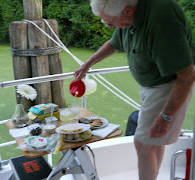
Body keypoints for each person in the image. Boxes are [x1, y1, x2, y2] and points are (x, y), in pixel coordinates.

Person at [74, 0, 195, 179]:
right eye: (105, 23)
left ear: (128, 11)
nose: (110, 28)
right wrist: (87, 64)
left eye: (111, 23)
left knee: (143, 143)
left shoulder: (162, 20)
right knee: (153, 141)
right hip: (149, 85)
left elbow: (187, 76)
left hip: (168, 86)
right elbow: (114, 43)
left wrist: (166, 117)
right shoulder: (128, 17)